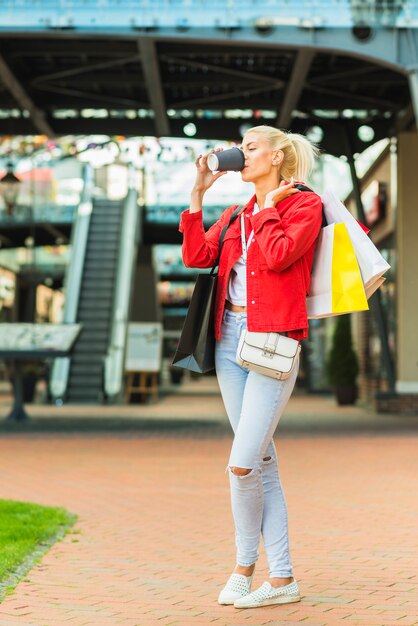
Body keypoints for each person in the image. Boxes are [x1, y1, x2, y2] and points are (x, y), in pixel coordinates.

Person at [178, 125, 323, 609]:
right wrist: (198, 195)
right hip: (229, 342)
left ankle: (244, 567)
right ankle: (281, 580)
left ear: (278, 156)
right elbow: (197, 255)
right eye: (239, 147)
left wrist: (267, 209)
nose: (241, 154)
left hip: (273, 341)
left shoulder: (304, 205)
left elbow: (282, 255)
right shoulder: (236, 214)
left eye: (251, 147)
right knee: (261, 461)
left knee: (241, 465)